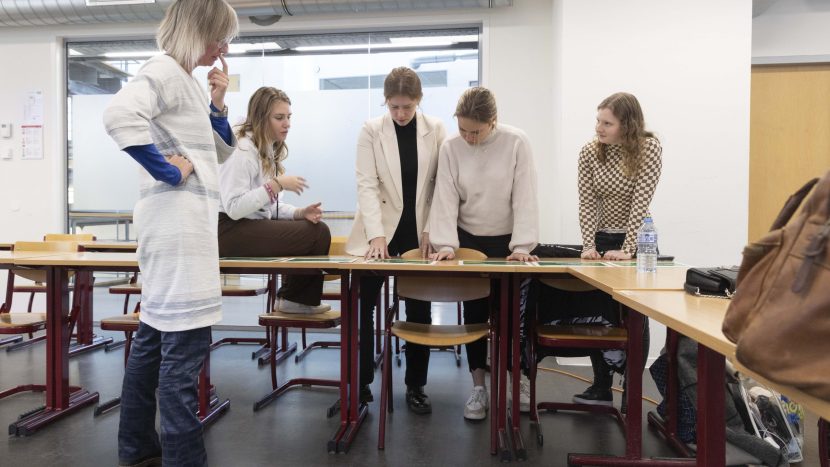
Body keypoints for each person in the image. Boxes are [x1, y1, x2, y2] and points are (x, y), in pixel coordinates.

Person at [102, 1, 238, 466]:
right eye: (219, 37)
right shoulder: (162, 70)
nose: (223, 49)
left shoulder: (185, 81)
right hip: (179, 230)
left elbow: (214, 156)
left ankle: (138, 450)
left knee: (153, 345)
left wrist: (217, 104)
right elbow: (118, 116)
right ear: (197, 30)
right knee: (182, 363)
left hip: (174, 228)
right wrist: (168, 171)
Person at [534, 92, 662, 409]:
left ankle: (631, 389)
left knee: (635, 316)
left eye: (607, 123)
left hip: (637, 242)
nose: (599, 128)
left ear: (627, 125)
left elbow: (640, 203)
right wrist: (589, 244)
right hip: (602, 240)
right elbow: (588, 201)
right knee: (599, 312)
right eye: (598, 121)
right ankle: (601, 385)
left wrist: (629, 248)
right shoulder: (590, 152)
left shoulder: (649, 148)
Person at [429, 86, 539, 420]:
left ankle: (515, 378)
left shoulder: (516, 142)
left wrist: (522, 246)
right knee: (475, 316)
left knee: (511, 318)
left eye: (475, 131)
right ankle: (478, 387)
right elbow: (445, 198)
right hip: (468, 242)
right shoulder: (451, 147)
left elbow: (525, 195)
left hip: (507, 243)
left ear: (493, 122)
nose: (468, 137)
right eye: (462, 129)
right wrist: (445, 245)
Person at [345, 67, 447, 412]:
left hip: (419, 231)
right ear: (385, 103)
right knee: (362, 305)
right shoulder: (370, 130)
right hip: (379, 232)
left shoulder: (436, 130)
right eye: (394, 107)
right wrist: (375, 235)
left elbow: (439, 187)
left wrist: (432, 229)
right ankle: (360, 385)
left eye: (407, 107)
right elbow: (367, 184)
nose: (400, 114)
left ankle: (416, 386)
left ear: (419, 101)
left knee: (419, 310)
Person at [218, 87, 331, 314]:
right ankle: (295, 300)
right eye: (279, 118)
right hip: (228, 230)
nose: (286, 123)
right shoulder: (242, 149)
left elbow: (269, 207)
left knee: (314, 226)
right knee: (319, 234)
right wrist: (276, 185)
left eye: (289, 117)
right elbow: (234, 208)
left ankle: (294, 299)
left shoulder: (266, 148)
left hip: (245, 227)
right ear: (261, 119)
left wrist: (300, 213)